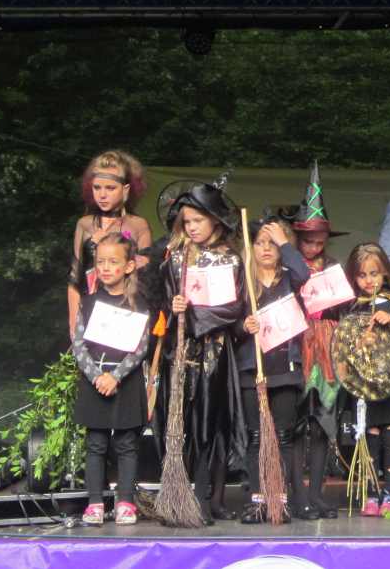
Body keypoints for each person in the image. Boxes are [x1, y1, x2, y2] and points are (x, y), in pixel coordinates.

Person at [154, 176, 247, 521]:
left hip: (216, 353)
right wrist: (174, 307)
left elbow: (233, 307)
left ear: (215, 221)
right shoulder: (175, 258)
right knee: (184, 424)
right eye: (187, 222)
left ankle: (213, 497)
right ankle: (185, 495)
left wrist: (197, 315)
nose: (192, 227)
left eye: (198, 220)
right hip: (181, 353)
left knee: (215, 423)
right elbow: (162, 303)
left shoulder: (230, 259)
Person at [237, 218, 313, 523]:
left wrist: (284, 241)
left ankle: (280, 499)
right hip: (253, 368)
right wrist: (243, 326)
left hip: (285, 368)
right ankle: (258, 499)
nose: (266, 249)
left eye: (272, 243)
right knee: (256, 436)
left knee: (282, 436)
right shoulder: (244, 280)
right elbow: (229, 318)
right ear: (250, 247)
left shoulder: (288, 279)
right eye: (259, 243)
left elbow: (304, 273)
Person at [71, 234, 149, 527]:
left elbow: (141, 347)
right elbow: (78, 344)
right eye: (100, 261)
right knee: (96, 444)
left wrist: (116, 377)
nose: (105, 267)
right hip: (95, 381)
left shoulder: (138, 304)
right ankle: (95, 502)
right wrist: (97, 377)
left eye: (113, 261)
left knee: (127, 444)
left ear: (128, 266)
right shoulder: (89, 302)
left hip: (125, 381)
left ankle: (125, 502)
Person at [329, 243, 390, 516]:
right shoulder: (351, 307)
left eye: (374, 273)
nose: (369, 281)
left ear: (385, 271)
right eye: (362, 275)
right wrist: (359, 342)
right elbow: (342, 346)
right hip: (365, 384)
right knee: (369, 434)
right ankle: (372, 494)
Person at [291, 161, 347, 519]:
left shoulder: (334, 267)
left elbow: (344, 307)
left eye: (320, 242)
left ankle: (317, 493)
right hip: (298, 346)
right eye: (308, 241)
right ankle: (298, 494)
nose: (314, 247)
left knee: (324, 422)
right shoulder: (289, 269)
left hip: (327, 349)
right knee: (297, 423)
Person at [67, 150, 152, 337]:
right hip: (90, 309)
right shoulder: (85, 224)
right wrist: (73, 322)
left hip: (126, 311)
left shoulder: (138, 225)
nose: (102, 195)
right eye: (97, 188)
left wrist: (112, 247)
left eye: (110, 188)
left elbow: (146, 276)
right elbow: (75, 278)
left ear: (126, 189)